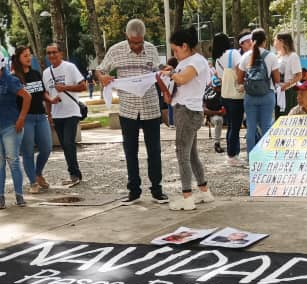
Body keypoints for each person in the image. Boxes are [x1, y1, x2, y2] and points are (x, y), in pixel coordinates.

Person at [97, 19, 168, 205]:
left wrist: (165, 77)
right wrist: (103, 77)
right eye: (133, 42)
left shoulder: (151, 49)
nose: (137, 46)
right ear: (127, 37)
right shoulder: (116, 50)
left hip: (150, 107)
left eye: (140, 42)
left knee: (154, 150)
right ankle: (134, 190)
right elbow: (100, 69)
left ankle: (157, 190)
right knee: (130, 151)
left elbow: (159, 71)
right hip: (128, 109)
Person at [161, 27, 213, 212]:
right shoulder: (189, 61)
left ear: (185, 46)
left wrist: (171, 74)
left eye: (175, 49)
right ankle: (204, 191)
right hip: (188, 110)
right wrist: (173, 71)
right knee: (191, 154)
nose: (174, 53)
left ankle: (187, 197)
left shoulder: (197, 61)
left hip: (187, 111)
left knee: (182, 153)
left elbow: (182, 79)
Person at [0, 47, 32, 209]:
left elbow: (26, 96)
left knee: (13, 161)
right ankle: (0, 197)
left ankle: (19, 196)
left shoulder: (10, 80)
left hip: (10, 126)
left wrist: (21, 118)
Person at [43, 42, 87, 187]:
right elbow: (47, 96)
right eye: (49, 53)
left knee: (69, 143)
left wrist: (65, 87)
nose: (52, 55)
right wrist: (49, 115)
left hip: (71, 112)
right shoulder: (46, 73)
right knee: (64, 145)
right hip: (57, 114)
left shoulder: (69, 67)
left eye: (54, 52)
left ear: (61, 53)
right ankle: (73, 174)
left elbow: (83, 86)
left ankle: (75, 174)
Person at [12, 45, 54, 194]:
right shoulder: (14, 77)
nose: (29, 58)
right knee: (28, 151)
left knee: (47, 148)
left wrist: (51, 100)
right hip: (26, 119)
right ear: (18, 59)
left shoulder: (36, 73)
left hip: (40, 116)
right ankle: (33, 182)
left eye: (30, 55)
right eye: (25, 56)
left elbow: (42, 94)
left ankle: (38, 173)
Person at [238, 28, 280, 156]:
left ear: (251, 41)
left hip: (250, 97)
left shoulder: (245, 57)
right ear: (265, 42)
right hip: (267, 95)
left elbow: (239, 79)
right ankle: (266, 157)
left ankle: (252, 158)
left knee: (251, 128)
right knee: (266, 126)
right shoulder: (271, 56)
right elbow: (277, 79)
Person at [213, 32, 245, 163]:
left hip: (225, 94)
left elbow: (220, 77)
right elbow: (240, 71)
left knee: (231, 125)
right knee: (235, 126)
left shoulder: (217, 59)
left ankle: (231, 153)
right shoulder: (234, 53)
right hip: (236, 95)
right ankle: (232, 155)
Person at [274, 33, 301, 115]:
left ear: (281, 41)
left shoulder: (293, 56)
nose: (274, 43)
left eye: (275, 40)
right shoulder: (277, 57)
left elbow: (299, 75)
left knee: (288, 116)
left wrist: (286, 85)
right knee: (279, 117)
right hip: (278, 92)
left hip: (289, 92)